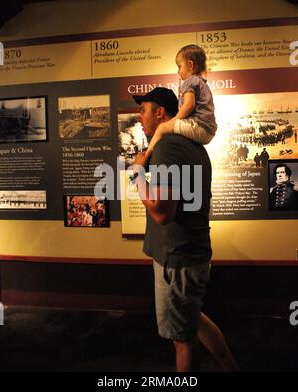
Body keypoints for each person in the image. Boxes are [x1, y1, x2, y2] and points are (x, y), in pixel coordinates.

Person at [132, 87, 238, 372]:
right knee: (191, 319)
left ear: (160, 113)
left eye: (143, 109)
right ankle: (230, 366)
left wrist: (137, 173)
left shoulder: (167, 148)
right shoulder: (193, 146)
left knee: (182, 338)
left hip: (175, 258)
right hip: (188, 254)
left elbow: (161, 212)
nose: (139, 116)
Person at [145, 44, 217, 156]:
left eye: (179, 66)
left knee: (162, 128)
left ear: (190, 65)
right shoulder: (201, 82)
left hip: (199, 126)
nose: (178, 71)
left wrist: (174, 120)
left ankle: (147, 155)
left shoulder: (190, 81)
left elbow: (188, 105)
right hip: (208, 131)